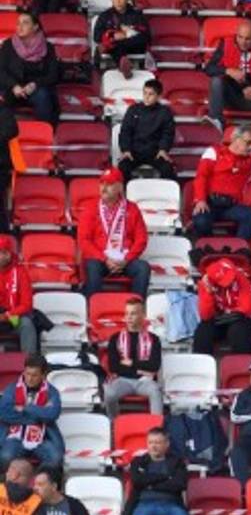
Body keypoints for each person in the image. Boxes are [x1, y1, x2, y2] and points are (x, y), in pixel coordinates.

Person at [79, 168, 151, 299]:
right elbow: (84, 241)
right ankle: (93, 310)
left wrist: (127, 259)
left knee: (143, 268)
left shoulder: (132, 208)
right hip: (100, 258)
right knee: (92, 266)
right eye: (102, 183)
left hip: (125, 258)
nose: (104, 188)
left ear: (120, 187)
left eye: (109, 184)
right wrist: (104, 259)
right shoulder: (90, 208)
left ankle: (136, 308)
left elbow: (141, 239)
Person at [191, 125, 251, 241]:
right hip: (209, 204)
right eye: (248, 143)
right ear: (235, 139)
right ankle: (208, 247)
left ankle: (238, 248)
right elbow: (201, 177)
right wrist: (200, 200)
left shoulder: (249, 162)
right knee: (201, 221)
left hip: (231, 206)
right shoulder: (214, 152)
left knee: (250, 215)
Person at [123, 427, 191, 515]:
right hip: (144, 504)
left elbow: (180, 484)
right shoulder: (138, 461)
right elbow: (137, 481)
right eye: (150, 442)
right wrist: (166, 477)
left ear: (167, 444)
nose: (153, 446)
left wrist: (149, 484)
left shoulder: (177, 462)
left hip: (171, 503)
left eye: (158, 443)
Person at [0, 354, 63, 471]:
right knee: (5, 457)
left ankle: (37, 479)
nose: (29, 378)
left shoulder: (52, 392)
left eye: (34, 375)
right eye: (27, 374)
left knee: (56, 459)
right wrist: (38, 415)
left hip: (43, 437)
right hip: (15, 436)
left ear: (43, 375)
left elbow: (52, 414)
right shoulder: (12, 388)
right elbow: (4, 413)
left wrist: (26, 407)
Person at [102, 298, 162, 417]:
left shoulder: (154, 339)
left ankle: (157, 429)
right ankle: (114, 426)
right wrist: (139, 367)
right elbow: (113, 366)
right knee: (109, 393)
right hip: (122, 380)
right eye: (127, 313)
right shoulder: (115, 338)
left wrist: (132, 363)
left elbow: (155, 365)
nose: (128, 317)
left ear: (143, 315)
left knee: (155, 391)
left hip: (145, 381)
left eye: (133, 313)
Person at [192, 258, 251, 355]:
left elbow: (247, 308)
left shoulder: (241, 277)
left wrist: (231, 314)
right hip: (222, 321)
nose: (229, 281)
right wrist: (209, 293)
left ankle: (241, 365)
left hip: (249, 321)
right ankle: (201, 365)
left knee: (237, 329)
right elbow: (205, 315)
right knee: (203, 330)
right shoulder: (205, 284)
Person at [0, 11, 59, 123]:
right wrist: (14, 86)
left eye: (25, 23)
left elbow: (53, 75)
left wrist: (35, 84)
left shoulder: (48, 47)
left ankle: (44, 133)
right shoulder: (8, 45)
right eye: (18, 23)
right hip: (12, 89)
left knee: (43, 96)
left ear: (35, 27)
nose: (20, 27)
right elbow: (1, 71)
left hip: (36, 89)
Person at [117, 79, 176, 181]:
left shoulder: (165, 112)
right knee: (122, 168)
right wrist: (126, 149)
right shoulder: (133, 109)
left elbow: (168, 133)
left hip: (155, 153)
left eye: (151, 94)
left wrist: (163, 149)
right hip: (134, 152)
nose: (146, 97)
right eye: (144, 93)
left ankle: (165, 195)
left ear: (158, 96)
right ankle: (124, 195)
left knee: (168, 169)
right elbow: (125, 131)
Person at [28, 465, 96, 515]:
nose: (35, 488)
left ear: (54, 486)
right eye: (35, 484)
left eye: (40, 485)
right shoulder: (33, 506)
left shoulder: (74, 505)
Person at [92, 0, 150, 72]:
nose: (118, 1)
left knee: (112, 44)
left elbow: (146, 36)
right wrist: (113, 35)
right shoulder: (105, 16)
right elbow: (96, 36)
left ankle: (122, 63)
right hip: (114, 47)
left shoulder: (136, 14)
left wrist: (126, 35)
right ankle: (123, 63)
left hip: (132, 46)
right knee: (112, 43)